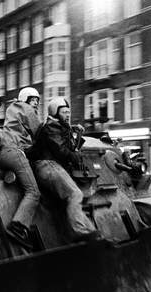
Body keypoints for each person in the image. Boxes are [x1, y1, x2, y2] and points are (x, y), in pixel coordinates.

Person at [31, 97, 102, 242]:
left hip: (53, 165)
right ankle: (80, 232)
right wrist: (75, 156)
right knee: (75, 194)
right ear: (55, 113)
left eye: (69, 112)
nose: (68, 115)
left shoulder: (59, 127)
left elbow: (68, 145)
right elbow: (61, 150)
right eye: (64, 112)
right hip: (47, 165)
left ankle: (92, 233)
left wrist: (73, 130)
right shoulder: (50, 127)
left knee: (75, 197)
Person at [0, 87, 43, 249]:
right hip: (16, 153)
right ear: (26, 100)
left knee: (25, 188)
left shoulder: (12, 109)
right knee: (34, 192)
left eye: (38, 101)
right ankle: (18, 226)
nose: (36, 104)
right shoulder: (27, 109)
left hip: (5, 153)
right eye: (33, 100)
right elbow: (40, 133)